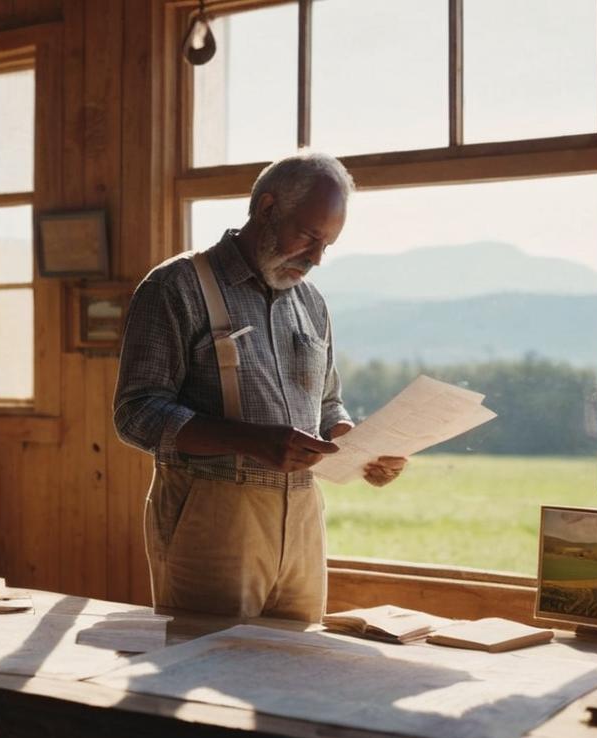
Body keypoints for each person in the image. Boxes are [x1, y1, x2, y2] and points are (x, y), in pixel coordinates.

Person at [113, 152, 407, 623]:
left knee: (296, 669)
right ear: (267, 208)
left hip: (304, 515)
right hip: (211, 517)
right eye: (309, 237)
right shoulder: (176, 286)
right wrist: (251, 442)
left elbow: (327, 405)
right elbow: (137, 414)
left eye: (326, 245)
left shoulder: (312, 303)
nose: (315, 258)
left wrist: (356, 444)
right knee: (202, 670)